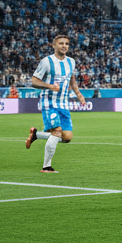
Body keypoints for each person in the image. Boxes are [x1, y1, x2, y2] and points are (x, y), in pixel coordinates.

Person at [25, 35, 87, 173]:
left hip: (63, 104)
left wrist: (79, 95)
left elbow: (72, 80)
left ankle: (36, 134)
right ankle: (46, 167)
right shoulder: (47, 62)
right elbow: (34, 81)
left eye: (66, 43)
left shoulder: (71, 62)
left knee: (67, 137)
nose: (64, 46)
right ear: (54, 45)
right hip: (49, 103)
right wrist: (49, 86)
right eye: (61, 43)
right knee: (57, 131)